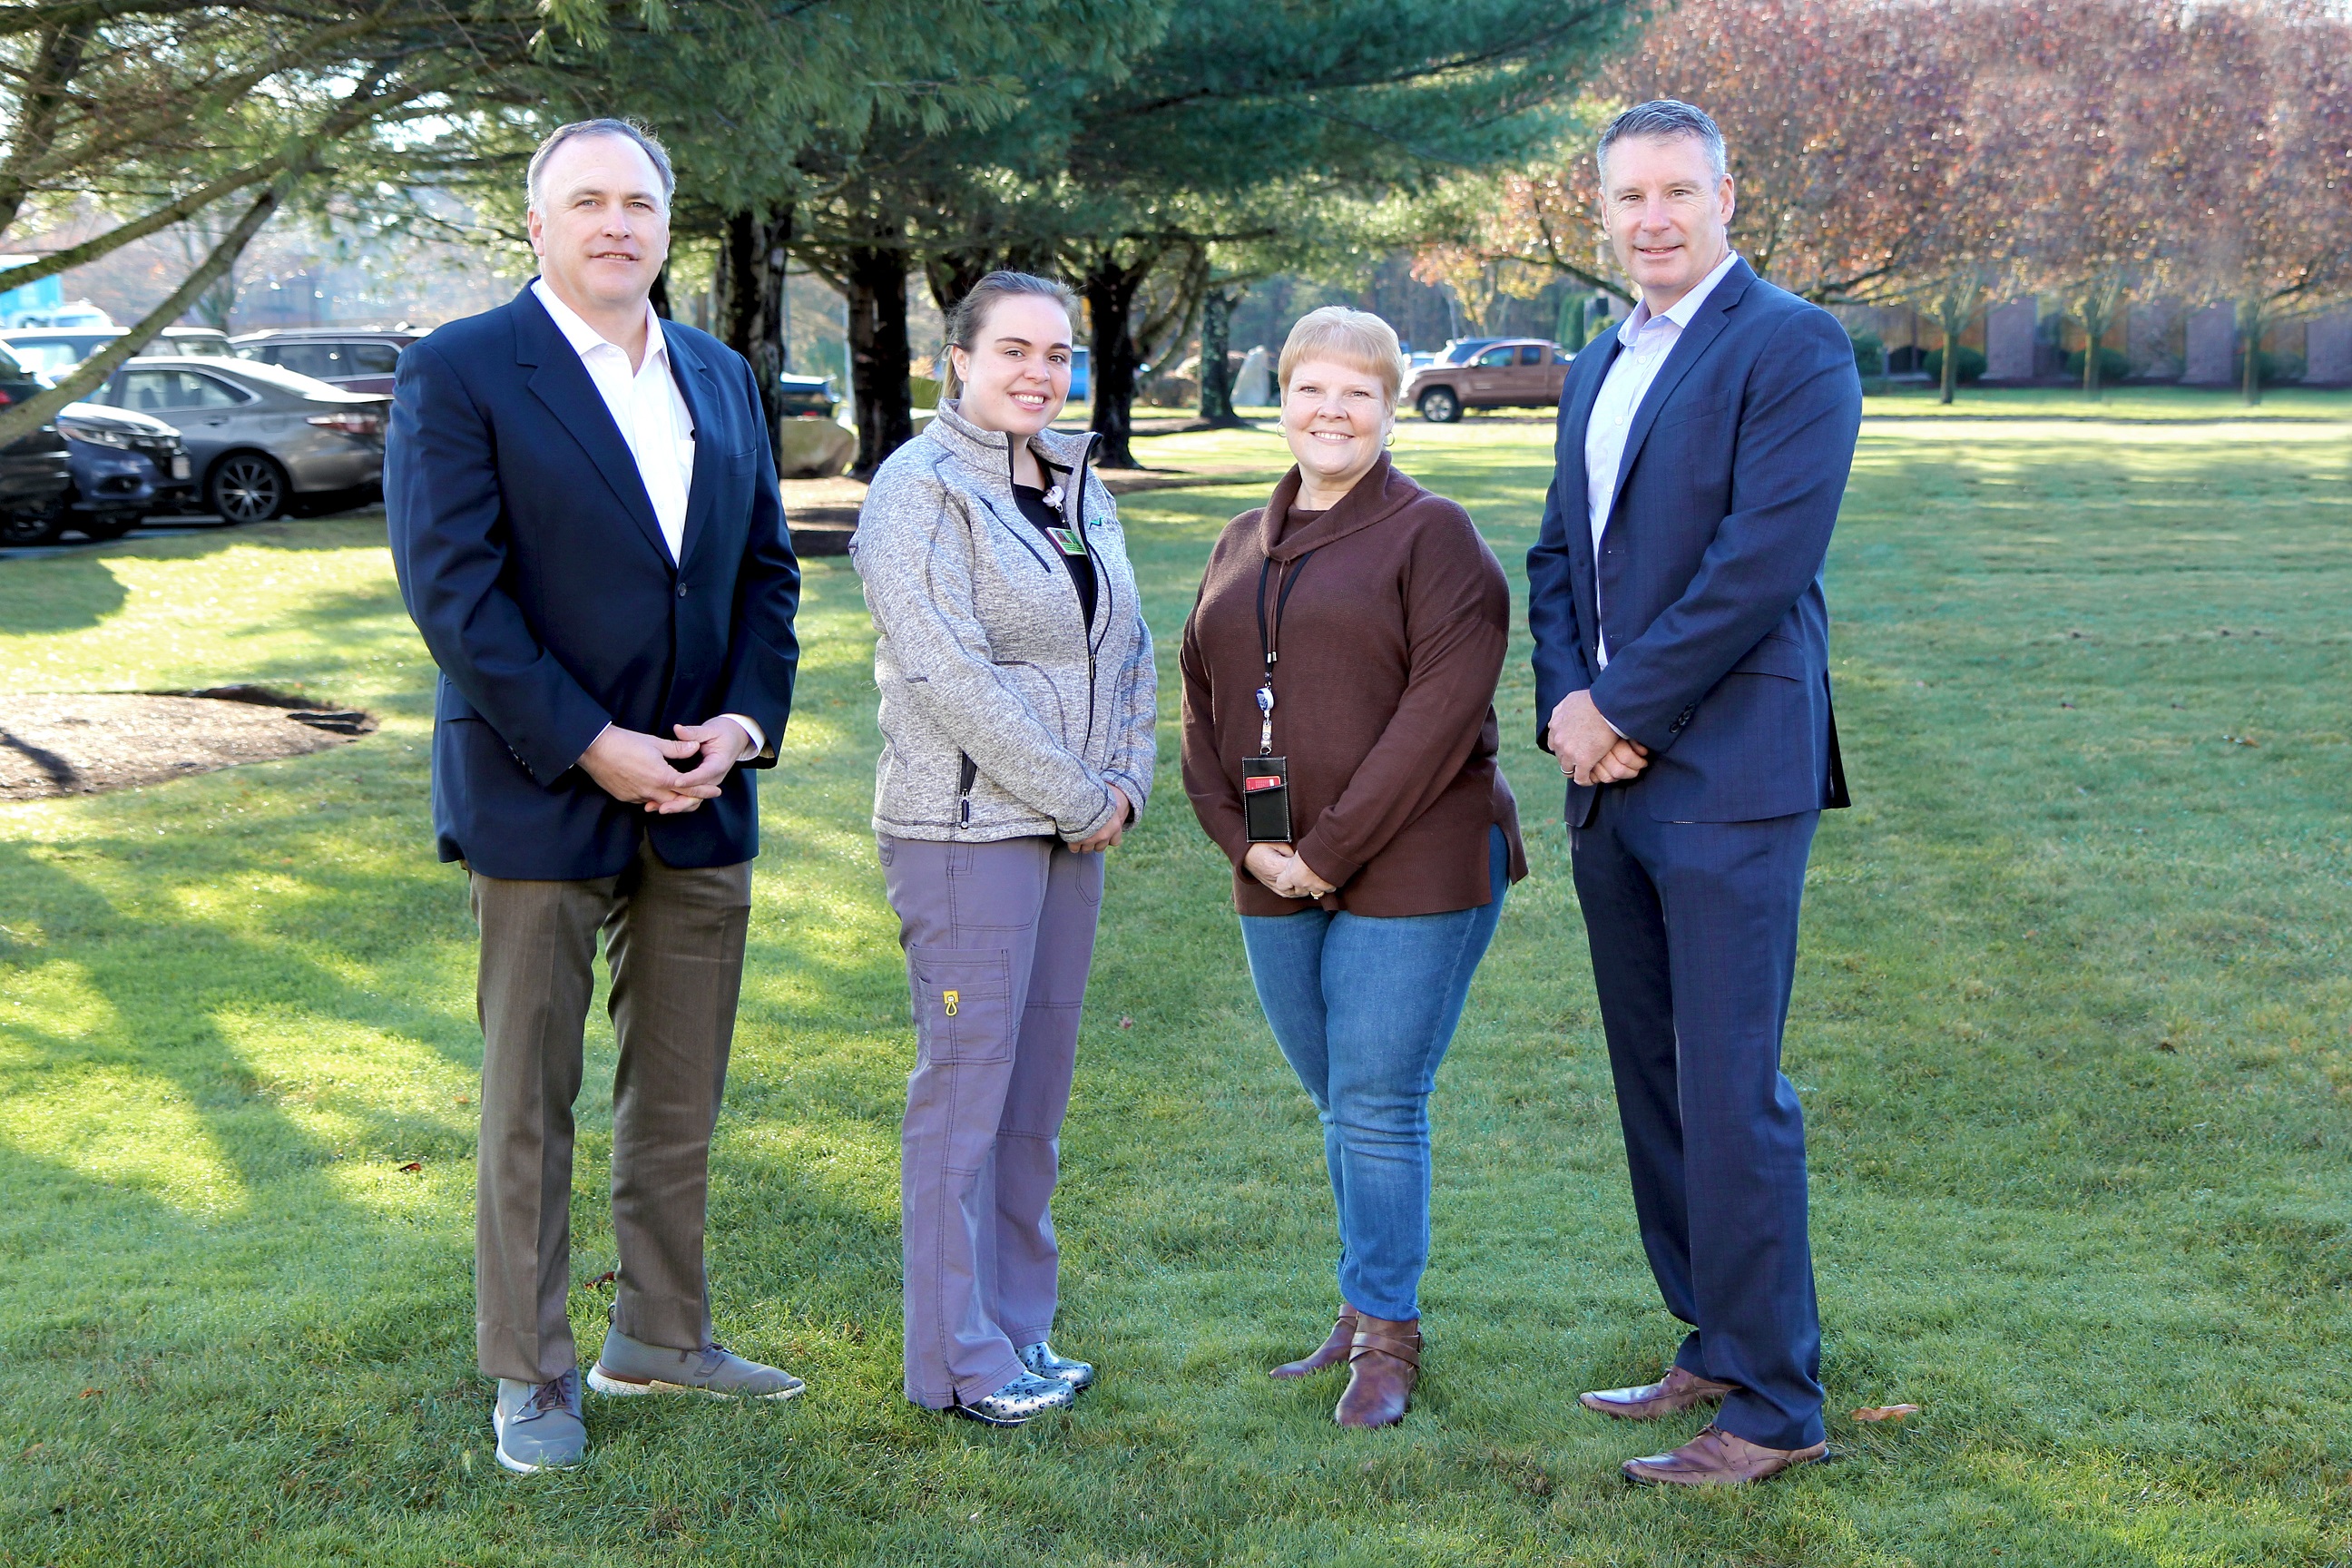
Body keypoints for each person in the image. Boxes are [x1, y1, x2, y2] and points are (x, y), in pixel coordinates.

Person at [386, 118, 805, 1474]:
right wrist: (591, 742)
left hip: (703, 789)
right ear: (538, 224)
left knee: (677, 1093)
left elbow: (763, 578)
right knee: (529, 1099)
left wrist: (741, 725)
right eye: (585, 202)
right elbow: (456, 596)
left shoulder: (721, 375)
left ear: (667, 224)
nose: (614, 223)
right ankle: (530, 1368)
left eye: (638, 202)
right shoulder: (460, 372)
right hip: (539, 787)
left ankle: (662, 1340)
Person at [1524, 99, 1861, 1486]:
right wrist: (1564, 707)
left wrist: (1621, 707)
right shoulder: (1599, 359)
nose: (1652, 217)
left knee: (1731, 1091)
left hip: (1729, 775)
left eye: (1678, 191)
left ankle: (1777, 1409)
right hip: (1610, 779)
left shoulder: (1793, 345)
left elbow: (1758, 564)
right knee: (1657, 1084)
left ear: (1730, 192)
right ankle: (1716, 1339)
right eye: (1628, 197)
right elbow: (1560, 557)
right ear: (1601, 211)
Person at [1181, 306, 1526, 1429]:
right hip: (1269, 866)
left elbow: (1439, 719)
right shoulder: (1240, 538)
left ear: (1390, 408)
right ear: (1281, 398)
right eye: (1311, 389)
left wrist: (1323, 854)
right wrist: (1248, 845)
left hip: (1416, 861)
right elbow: (1196, 705)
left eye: (1359, 393)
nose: (1332, 412)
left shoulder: (1437, 537)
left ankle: (1389, 1334)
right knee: (1341, 1103)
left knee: (1376, 1104)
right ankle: (1359, 1301)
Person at [850, 271, 1156, 1428]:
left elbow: (1125, 647)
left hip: (1073, 830)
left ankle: (1021, 1331)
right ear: (958, 361)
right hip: (967, 831)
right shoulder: (917, 491)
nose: (1038, 372)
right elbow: (947, 670)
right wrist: (1077, 791)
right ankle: (957, 1362)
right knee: (965, 1099)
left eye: (1058, 353)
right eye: (1014, 351)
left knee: (1033, 1102)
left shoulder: (1076, 483)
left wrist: (1122, 776)